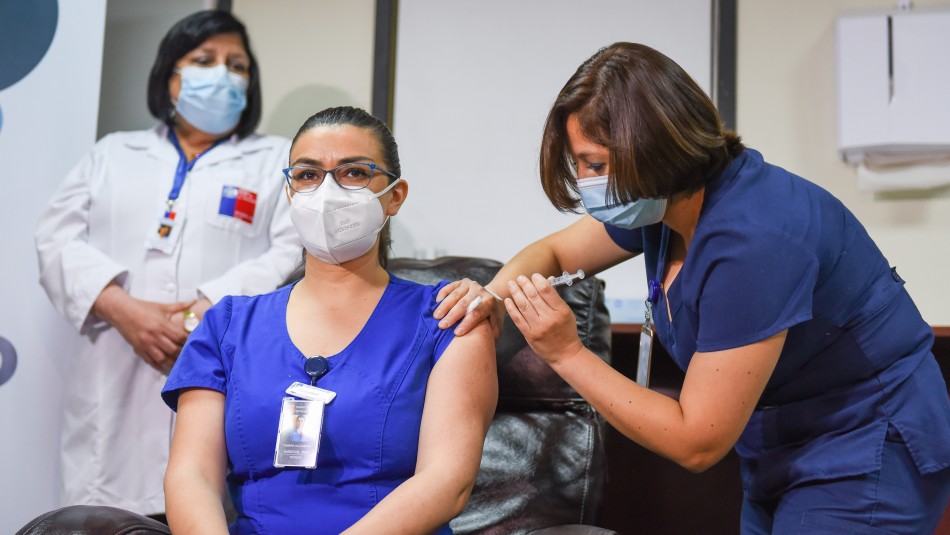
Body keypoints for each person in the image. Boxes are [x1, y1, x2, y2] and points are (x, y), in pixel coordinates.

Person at [435, 42, 950, 533]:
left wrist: (565, 353)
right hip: (778, 440)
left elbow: (696, 443)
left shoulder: (755, 238)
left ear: (655, 151)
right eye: (580, 164)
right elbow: (554, 254)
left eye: (594, 164)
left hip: (866, 444)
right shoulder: (663, 202)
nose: (587, 182)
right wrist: (493, 295)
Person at [161, 106, 498, 535]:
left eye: (354, 173)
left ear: (395, 195)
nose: (327, 191)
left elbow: (446, 482)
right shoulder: (226, 325)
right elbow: (192, 478)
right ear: (289, 193)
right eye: (307, 175)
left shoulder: (449, 319)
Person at [34, 10, 300, 518]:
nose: (223, 73)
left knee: (203, 504)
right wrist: (121, 309)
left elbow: (291, 251)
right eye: (204, 60)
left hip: (218, 365)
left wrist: (203, 313)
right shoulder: (112, 154)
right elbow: (54, 237)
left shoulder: (275, 161)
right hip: (110, 380)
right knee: (97, 519)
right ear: (169, 78)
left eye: (237, 65)